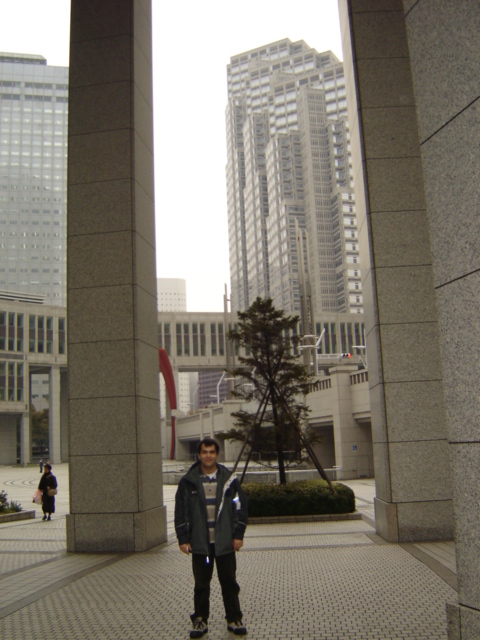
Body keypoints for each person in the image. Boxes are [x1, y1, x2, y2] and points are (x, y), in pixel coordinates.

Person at [175, 437, 248, 638]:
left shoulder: (229, 480)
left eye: (212, 452)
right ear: (199, 455)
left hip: (224, 544)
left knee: (229, 582)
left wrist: (238, 534)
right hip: (201, 546)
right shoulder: (188, 481)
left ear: (217, 454)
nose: (208, 455)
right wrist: (183, 538)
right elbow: (181, 511)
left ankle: (234, 618)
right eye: (205, 452)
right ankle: (200, 620)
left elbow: (239, 507)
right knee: (201, 585)